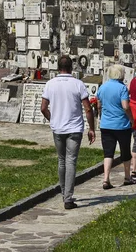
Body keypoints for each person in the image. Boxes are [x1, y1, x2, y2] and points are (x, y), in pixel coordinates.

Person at [40, 56, 96, 210]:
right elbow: (88, 108)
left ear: (58, 67)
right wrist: (92, 128)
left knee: (61, 160)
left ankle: (64, 192)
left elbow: (43, 107)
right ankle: (68, 198)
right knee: (71, 160)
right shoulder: (78, 84)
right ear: (72, 67)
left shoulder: (50, 84)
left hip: (58, 127)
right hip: (74, 128)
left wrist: (53, 119)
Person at [97, 65, 136, 189]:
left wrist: (101, 115)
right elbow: (125, 106)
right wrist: (131, 118)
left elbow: (99, 104)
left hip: (106, 124)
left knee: (108, 153)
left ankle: (106, 179)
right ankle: (127, 177)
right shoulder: (122, 88)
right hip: (121, 125)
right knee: (125, 151)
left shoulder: (103, 87)